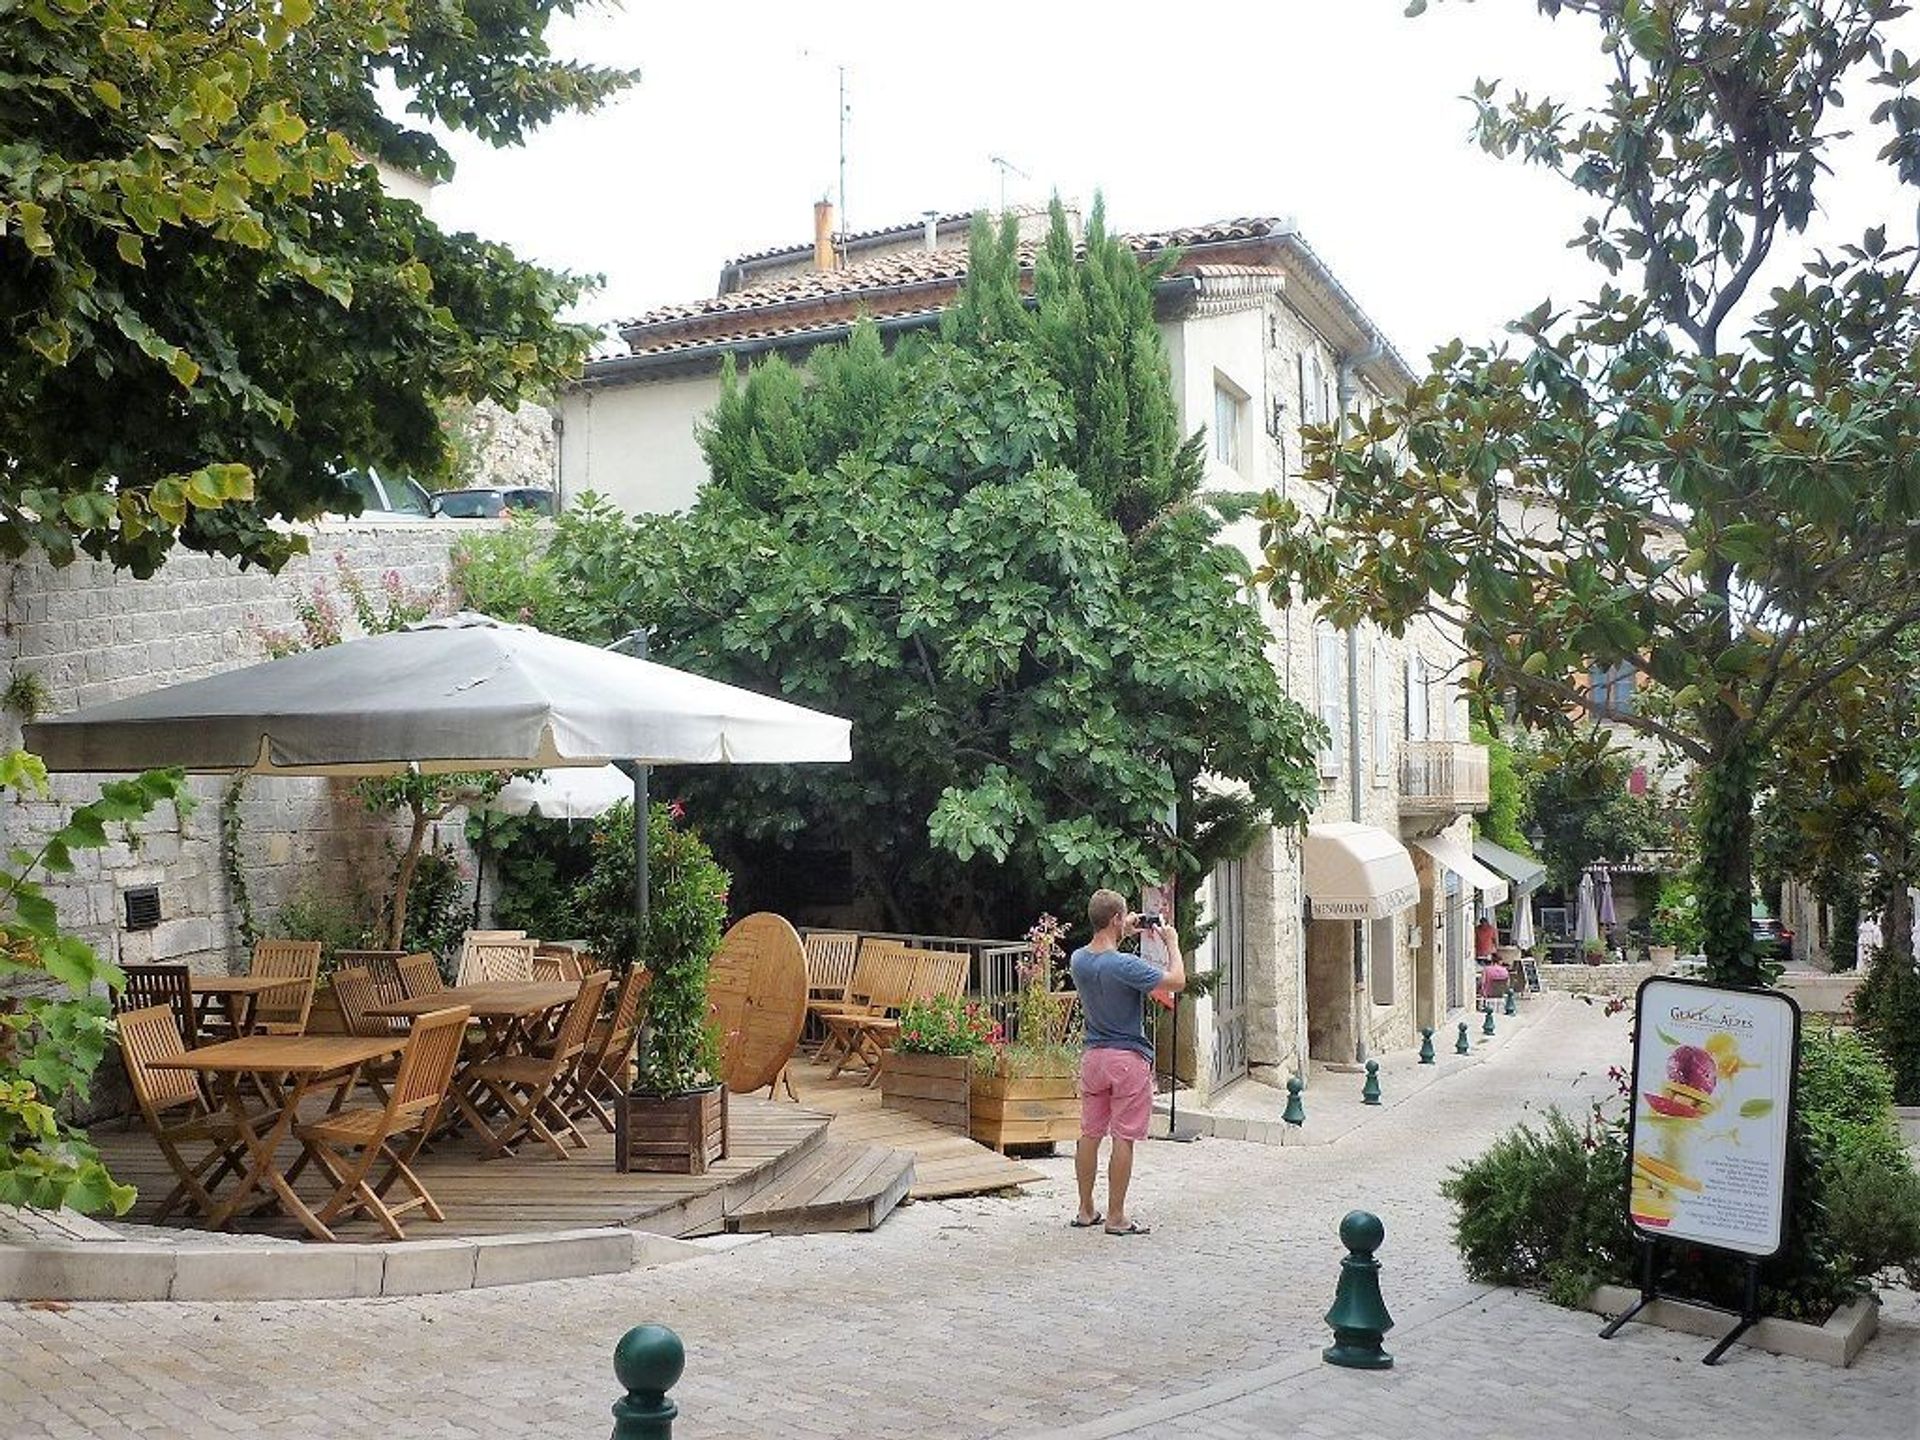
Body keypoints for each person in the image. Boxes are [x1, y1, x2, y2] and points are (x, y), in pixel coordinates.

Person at [1068, 888, 1184, 1237]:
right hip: (1127, 1058)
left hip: (1093, 1058)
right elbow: (1177, 981)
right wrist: (1172, 943)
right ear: (1116, 919)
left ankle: (1085, 1208)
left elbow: (1104, 949)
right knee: (1123, 1137)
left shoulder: (1078, 959)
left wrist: (1123, 928)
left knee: (1090, 1134)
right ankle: (1116, 1216)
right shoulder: (1126, 965)